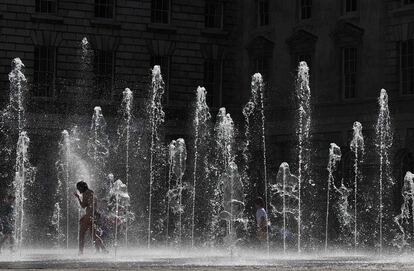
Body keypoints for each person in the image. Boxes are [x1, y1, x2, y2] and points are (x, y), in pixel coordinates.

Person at [74, 181, 107, 255]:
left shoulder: (89, 193)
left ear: (82, 187)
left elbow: (92, 207)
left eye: (79, 188)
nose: (78, 190)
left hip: (90, 216)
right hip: (92, 216)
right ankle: (104, 250)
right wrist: (78, 197)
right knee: (94, 235)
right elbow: (83, 206)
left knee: (81, 234)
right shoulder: (88, 193)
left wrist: (87, 217)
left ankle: (80, 252)